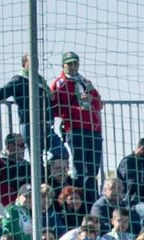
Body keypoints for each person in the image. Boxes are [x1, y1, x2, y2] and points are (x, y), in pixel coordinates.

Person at [51, 52, 104, 200]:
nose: (73, 67)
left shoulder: (85, 82)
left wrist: (91, 97)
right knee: (80, 168)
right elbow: (56, 108)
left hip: (94, 129)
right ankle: (81, 198)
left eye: (75, 63)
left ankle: (92, 197)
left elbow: (99, 105)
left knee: (93, 169)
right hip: (75, 129)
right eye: (70, 64)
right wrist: (75, 107)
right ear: (63, 65)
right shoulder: (60, 83)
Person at [0, 55, 58, 159]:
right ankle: (40, 174)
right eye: (32, 62)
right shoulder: (19, 80)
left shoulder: (40, 80)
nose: (35, 65)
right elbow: (1, 93)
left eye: (36, 62)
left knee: (61, 152)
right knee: (37, 158)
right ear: (24, 64)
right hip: (30, 125)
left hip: (46, 125)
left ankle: (51, 171)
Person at [116, 137, 144, 213]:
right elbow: (132, 184)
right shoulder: (127, 162)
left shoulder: (142, 164)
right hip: (130, 201)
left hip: (143, 199)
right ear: (142, 149)